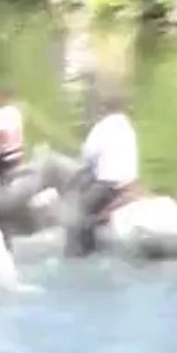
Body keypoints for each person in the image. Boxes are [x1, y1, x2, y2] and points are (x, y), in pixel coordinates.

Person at [76, 82, 139, 252]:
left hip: (109, 185)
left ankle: (83, 252)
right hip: (130, 183)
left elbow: (87, 157)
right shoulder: (128, 125)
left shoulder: (102, 126)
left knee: (79, 214)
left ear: (104, 109)